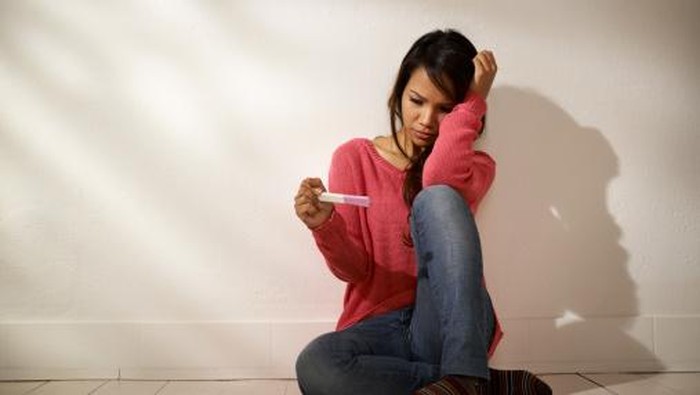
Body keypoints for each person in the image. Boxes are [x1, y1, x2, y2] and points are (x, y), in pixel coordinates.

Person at [293, 29, 551, 395]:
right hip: (378, 328)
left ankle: (461, 377)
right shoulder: (353, 157)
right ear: (399, 93)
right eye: (417, 100)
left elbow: (438, 176)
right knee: (316, 366)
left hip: (445, 326)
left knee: (438, 197)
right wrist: (325, 226)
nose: (427, 120)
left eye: (445, 108)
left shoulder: (474, 167)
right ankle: (477, 385)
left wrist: (476, 100)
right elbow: (353, 270)